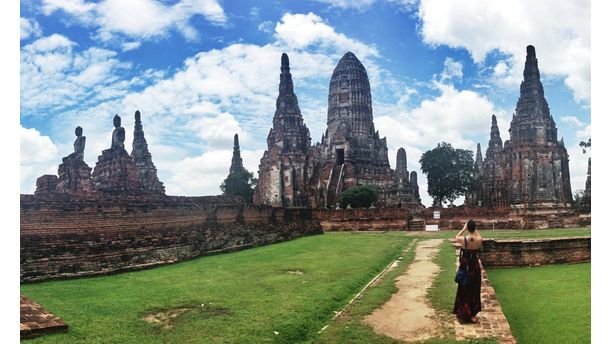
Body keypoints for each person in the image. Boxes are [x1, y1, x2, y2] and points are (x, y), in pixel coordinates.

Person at [452, 220, 482, 323]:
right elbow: (477, 235)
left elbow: (456, 236)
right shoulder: (479, 239)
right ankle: (472, 315)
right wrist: (473, 229)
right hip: (474, 265)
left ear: (467, 228)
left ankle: (463, 313)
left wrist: (464, 229)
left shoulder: (463, 239)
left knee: (464, 289)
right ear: (475, 228)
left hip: (466, 266)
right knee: (474, 289)